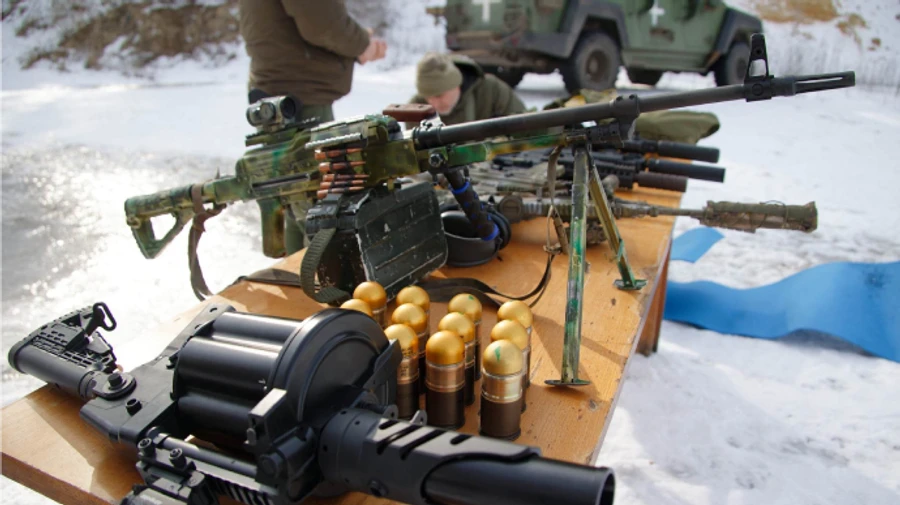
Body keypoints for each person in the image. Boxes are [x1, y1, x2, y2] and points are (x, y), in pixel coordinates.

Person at [238, 0, 387, 253]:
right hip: (298, 97)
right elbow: (322, 22)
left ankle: (299, 269)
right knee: (317, 206)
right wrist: (363, 44)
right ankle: (313, 273)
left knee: (297, 200)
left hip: (281, 91)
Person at [406, 52, 526, 129]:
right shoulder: (416, 110)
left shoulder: (492, 91)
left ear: (456, 85)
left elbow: (526, 127)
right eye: (428, 97)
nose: (434, 104)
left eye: (439, 95)